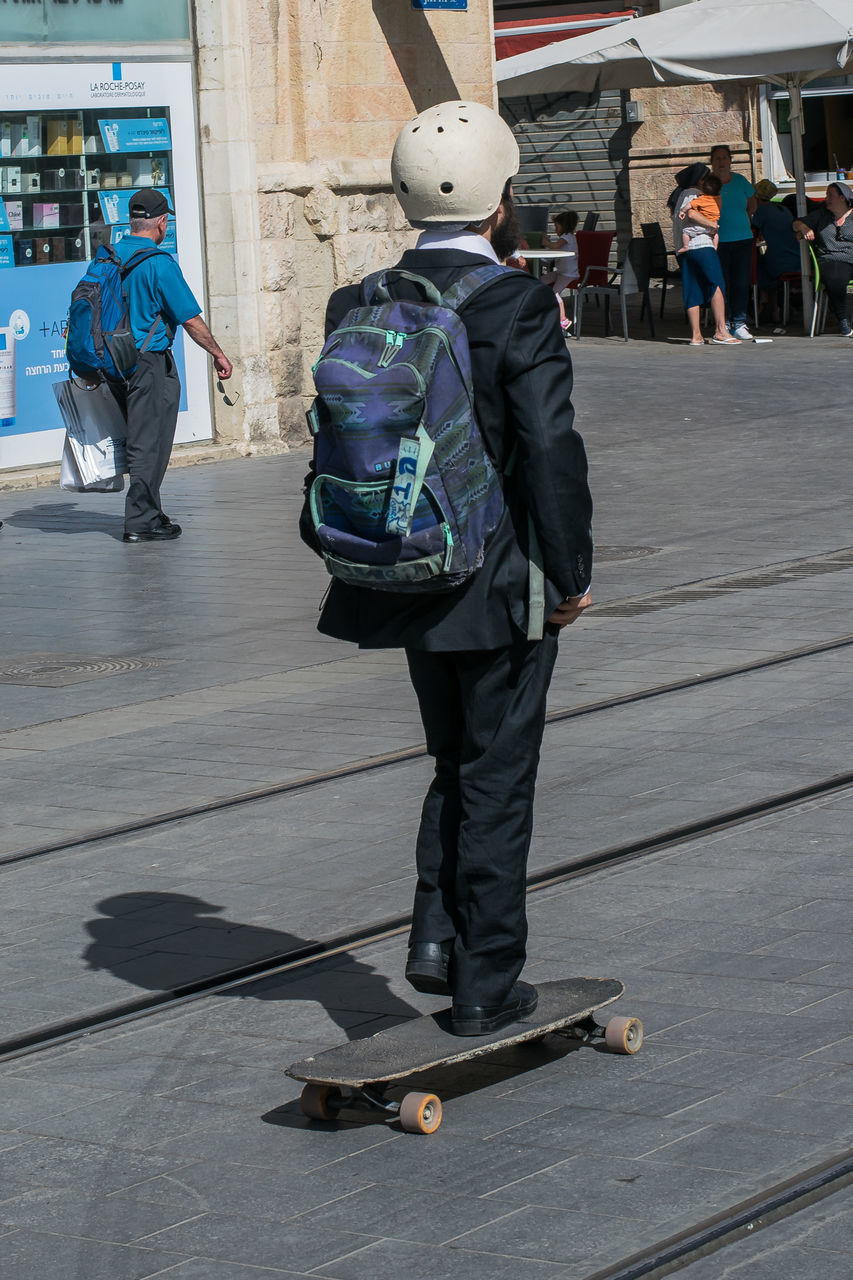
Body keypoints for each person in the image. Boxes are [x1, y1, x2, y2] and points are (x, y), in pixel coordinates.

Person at [299, 100, 593, 1037]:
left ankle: (435, 939)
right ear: (502, 200)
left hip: (398, 565)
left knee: (453, 759)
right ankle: (485, 984)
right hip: (498, 579)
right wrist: (571, 572)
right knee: (497, 772)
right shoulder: (516, 303)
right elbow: (549, 446)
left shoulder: (363, 299)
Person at [107, 189, 233, 542]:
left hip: (112, 362)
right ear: (162, 222)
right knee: (151, 443)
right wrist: (218, 354)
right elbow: (191, 320)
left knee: (142, 440)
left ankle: (152, 511)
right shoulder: (158, 263)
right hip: (148, 363)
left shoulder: (109, 257)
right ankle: (140, 521)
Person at [672, 172, 738, 346]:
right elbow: (692, 214)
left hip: (687, 249)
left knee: (692, 289)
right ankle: (721, 331)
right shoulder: (694, 194)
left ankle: (696, 336)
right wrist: (712, 225)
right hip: (702, 246)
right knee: (716, 284)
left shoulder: (683, 194)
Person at [791, 180, 853, 336]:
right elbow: (795, 224)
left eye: (830, 195)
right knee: (836, 276)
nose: (826, 198)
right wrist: (804, 228)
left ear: (842, 198)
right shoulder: (821, 215)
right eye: (826, 195)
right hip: (832, 259)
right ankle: (843, 319)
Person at [709, 144, 757, 341]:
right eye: (717, 159)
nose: (721, 162)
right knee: (723, 283)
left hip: (743, 239)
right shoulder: (708, 184)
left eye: (724, 158)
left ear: (730, 161)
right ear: (711, 162)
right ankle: (725, 322)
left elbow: (752, 205)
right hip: (718, 242)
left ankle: (739, 322)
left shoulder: (741, 181)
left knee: (741, 282)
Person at [750, 179, 801, 332]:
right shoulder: (783, 209)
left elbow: (753, 234)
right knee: (765, 262)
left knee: (757, 265)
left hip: (781, 261)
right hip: (797, 258)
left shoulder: (761, 211)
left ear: (756, 197)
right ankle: (774, 307)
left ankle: (766, 302)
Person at [540, 210, 579, 332]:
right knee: (539, 281)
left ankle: (563, 319)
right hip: (561, 272)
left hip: (568, 274)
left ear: (564, 226)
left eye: (557, 227)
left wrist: (545, 242)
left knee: (554, 293)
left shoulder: (567, 237)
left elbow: (555, 246)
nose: (556, 230)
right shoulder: (568, 237)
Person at [677, 173, 722, 255]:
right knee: (715, 234)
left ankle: (685, 246)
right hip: (714, 224)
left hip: (702, 227)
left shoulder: (701, 199)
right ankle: (715, 246)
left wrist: (682, 211)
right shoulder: (718, 198)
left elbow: (689, 206)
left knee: (686, 231)